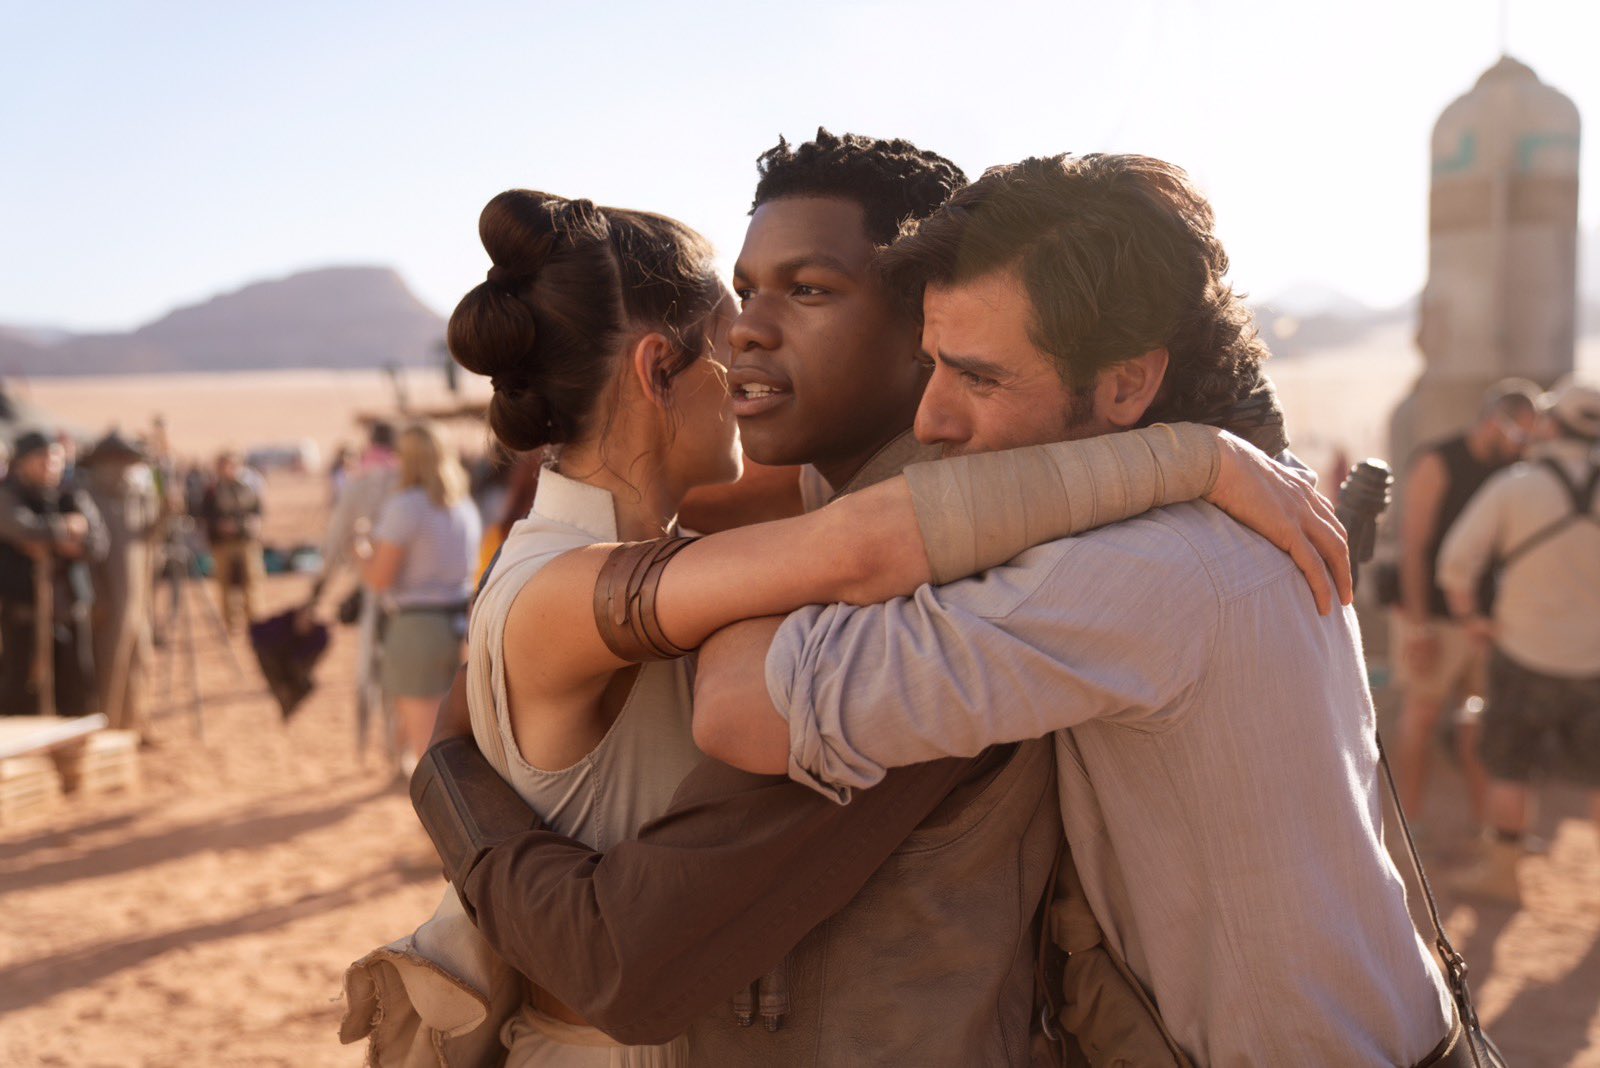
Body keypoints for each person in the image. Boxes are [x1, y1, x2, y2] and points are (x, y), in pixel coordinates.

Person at [371, 136, 1346, 1067]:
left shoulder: (931, 565)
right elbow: (847, 543)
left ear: (928, 329)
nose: (746, 331)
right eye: (739, 297)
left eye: (808, 290)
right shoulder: (670, 558)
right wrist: (1188, 457)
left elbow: (624, 951)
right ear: (656, 371)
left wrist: (451, 788)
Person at [692, 155, 1465, 1066]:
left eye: (979, 379)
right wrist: (1186, 458)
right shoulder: (1241, 503)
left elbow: (742, 704)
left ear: (1129, 385)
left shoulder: (1145, 572)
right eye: (933, 365)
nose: (933, 420)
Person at [1437, 376, 1600, 904]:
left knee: (1509, 766)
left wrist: (1472, 621)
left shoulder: (1516, 485)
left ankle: (1504, 874)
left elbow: (1455, 564)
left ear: (1552, 423)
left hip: (1522, 653)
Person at [1392, 379, 1539, 829]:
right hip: (1431, 617)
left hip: (1484, 622)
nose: (1524, 446)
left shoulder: (1514, 471)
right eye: (1520, 434)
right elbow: (1413, 548)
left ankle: (1485, 834)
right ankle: (1404, 829)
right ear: (1495, 421)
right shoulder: (1439, 462)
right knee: (1420, 720)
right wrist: (1419, 628)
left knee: (1479, 728)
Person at [354, 420, 481, 771]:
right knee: (452, 734)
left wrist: (359, 549)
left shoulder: (407, 505)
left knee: (431, 750)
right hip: (463, 626)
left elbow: (380, 579)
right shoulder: (463, 506)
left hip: (418, 629)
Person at [0, 430, 108, 717]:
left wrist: (55, 541)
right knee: (22, 685)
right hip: (23, 608)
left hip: (69, 605)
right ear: (22, 462)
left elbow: (98, 541)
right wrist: (65, 530)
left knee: (75, 686)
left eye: (55, 457)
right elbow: (20, 527)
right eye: (41, 458)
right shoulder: (9, 493)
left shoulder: (72, 493)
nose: (50, 464)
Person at [81, 431, 162, 735]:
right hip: (109, 599)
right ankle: (110, 726)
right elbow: (89, 555)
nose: (124, 470)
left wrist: (167, 509)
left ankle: (137, 723)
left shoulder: (138, 496)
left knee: (140, 660)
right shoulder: (90, 498)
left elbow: (148, 536)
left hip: (138, 597)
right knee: (110, 664)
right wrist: (96, 596)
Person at [199, 449, 263, 633]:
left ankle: (255, 622)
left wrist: (250, 525)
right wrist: (220, 526)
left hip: (246, 542)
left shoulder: (246, 488)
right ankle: (231, 624)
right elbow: (206, 516)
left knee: (252, 582)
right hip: (222, 545)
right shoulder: (212, 492)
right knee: (226, 585)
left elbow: (257, 511)